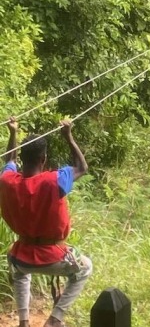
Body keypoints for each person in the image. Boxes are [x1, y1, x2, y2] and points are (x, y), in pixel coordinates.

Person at [0, 117, 92, 327]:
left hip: (21, 255)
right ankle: (55, 319)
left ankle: (24, 321)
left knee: (20, 272)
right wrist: (68, 136)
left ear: (22, 159)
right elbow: (82, 167)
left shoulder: (7, 181)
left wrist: (13, 133)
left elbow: (8, 160)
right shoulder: (54, 180)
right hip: (52, 257)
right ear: (44, 158)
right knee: (85, 268)